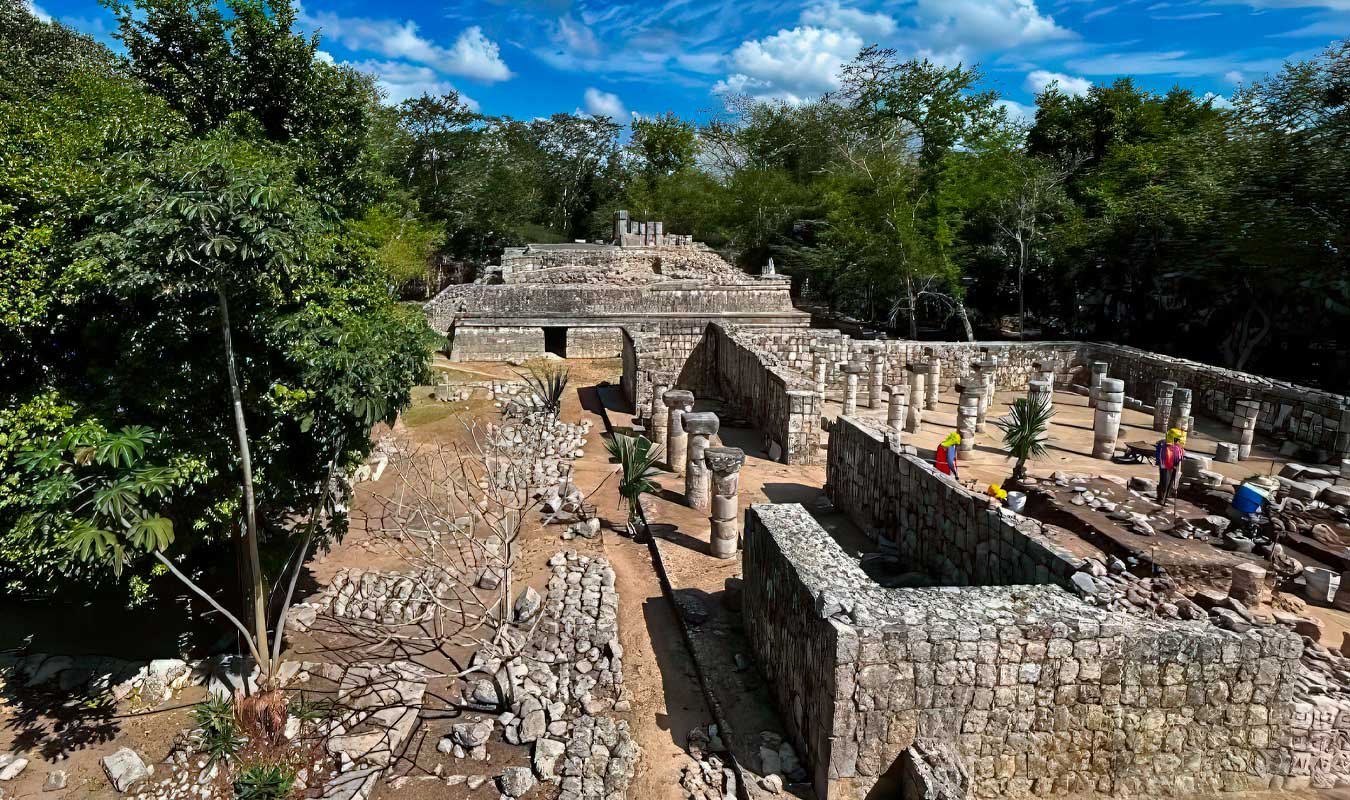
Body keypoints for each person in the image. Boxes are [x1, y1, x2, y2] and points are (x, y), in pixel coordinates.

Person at [1155, 428, 1186, 504]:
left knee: (1170, 483)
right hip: (1165, 466)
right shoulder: (1163, 445)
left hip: (1173, 466)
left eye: (1178, 440)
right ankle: (1161, 498)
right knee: (1164, 482)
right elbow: (1160, 455)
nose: (1177, 441)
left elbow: (1180, 457)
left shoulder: (1178, 447)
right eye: (1176, 439)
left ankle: (1165, 498)